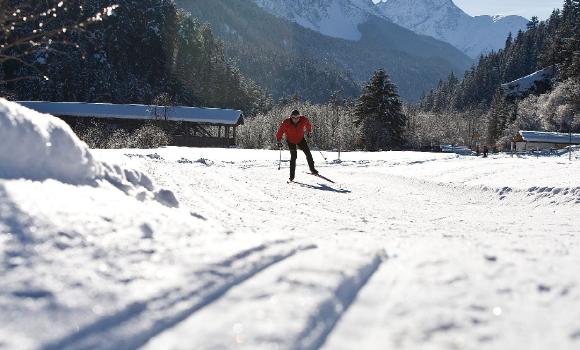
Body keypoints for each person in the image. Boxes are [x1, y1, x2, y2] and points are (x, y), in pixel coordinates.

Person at [276, 109, 318, 181]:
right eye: (294, 117)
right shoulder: (286, 122)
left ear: (300, 116)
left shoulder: (303, 119)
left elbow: (308, 125)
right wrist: (279, 141)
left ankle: (312, 169)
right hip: (291, 141)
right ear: (291, 117)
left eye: (297, 117)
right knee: (293, 157)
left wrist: (309, 132)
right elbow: (280, 132)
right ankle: (292, 176)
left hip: (301, 139)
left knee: (308, 154)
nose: (296, 119)